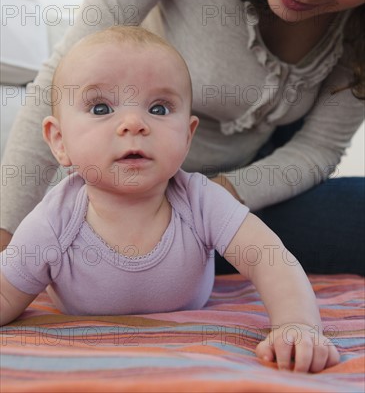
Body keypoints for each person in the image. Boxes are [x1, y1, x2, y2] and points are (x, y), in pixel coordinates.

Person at [1, 0, 364, 274]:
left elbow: (319, 147)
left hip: (235, 194)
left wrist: (208, 202)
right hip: (121, 189)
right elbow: (66, 74)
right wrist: (7, 241)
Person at [0, 27, 340, 373]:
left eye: (159, 109)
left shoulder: (201, 200)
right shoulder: (53, 220)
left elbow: (269, 259)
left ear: (188, 135)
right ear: (59, 141)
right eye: (101, 107)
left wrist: (296, 324)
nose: (133, 124)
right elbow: (6, 293)